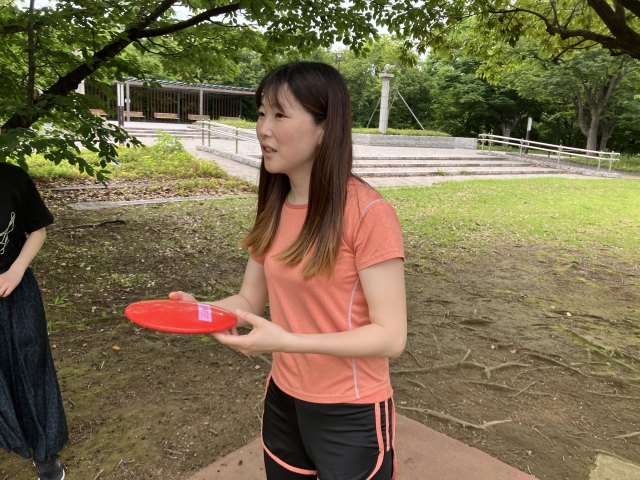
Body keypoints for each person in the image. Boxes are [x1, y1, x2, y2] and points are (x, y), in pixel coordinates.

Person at [171, 62, 406, 480]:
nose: (263, 129)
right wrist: (199, 312)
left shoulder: (369, 213)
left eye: (280, 115)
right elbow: (249, 299)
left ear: (324, 128)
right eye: (262, 113)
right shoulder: (276, 206)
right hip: (284, 400)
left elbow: (391, 337)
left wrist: (287, 341)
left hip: (350, 412)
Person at [0, 162, 68, 480]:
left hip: (16, 290)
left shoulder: (12, 177)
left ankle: (44, 449)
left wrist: (16, 270)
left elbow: (37, 231)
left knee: (31, 366)